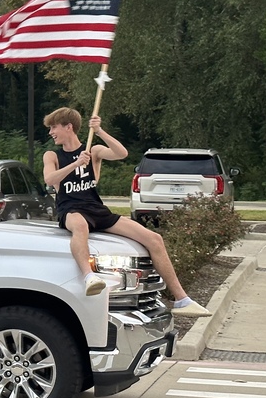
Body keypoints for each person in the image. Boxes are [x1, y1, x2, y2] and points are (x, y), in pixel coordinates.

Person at [42, 107, 210, 315]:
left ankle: (182, 299)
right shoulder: (52, 155)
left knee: (154, 238)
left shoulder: (93, 151)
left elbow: (121, 153)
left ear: (69, 127)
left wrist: (100, 131)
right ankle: (89, 277)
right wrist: (76, 163)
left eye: (54, 127)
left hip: (96, 208)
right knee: (81, 226)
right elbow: (50, 179)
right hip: (70, 209)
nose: (50, 132)